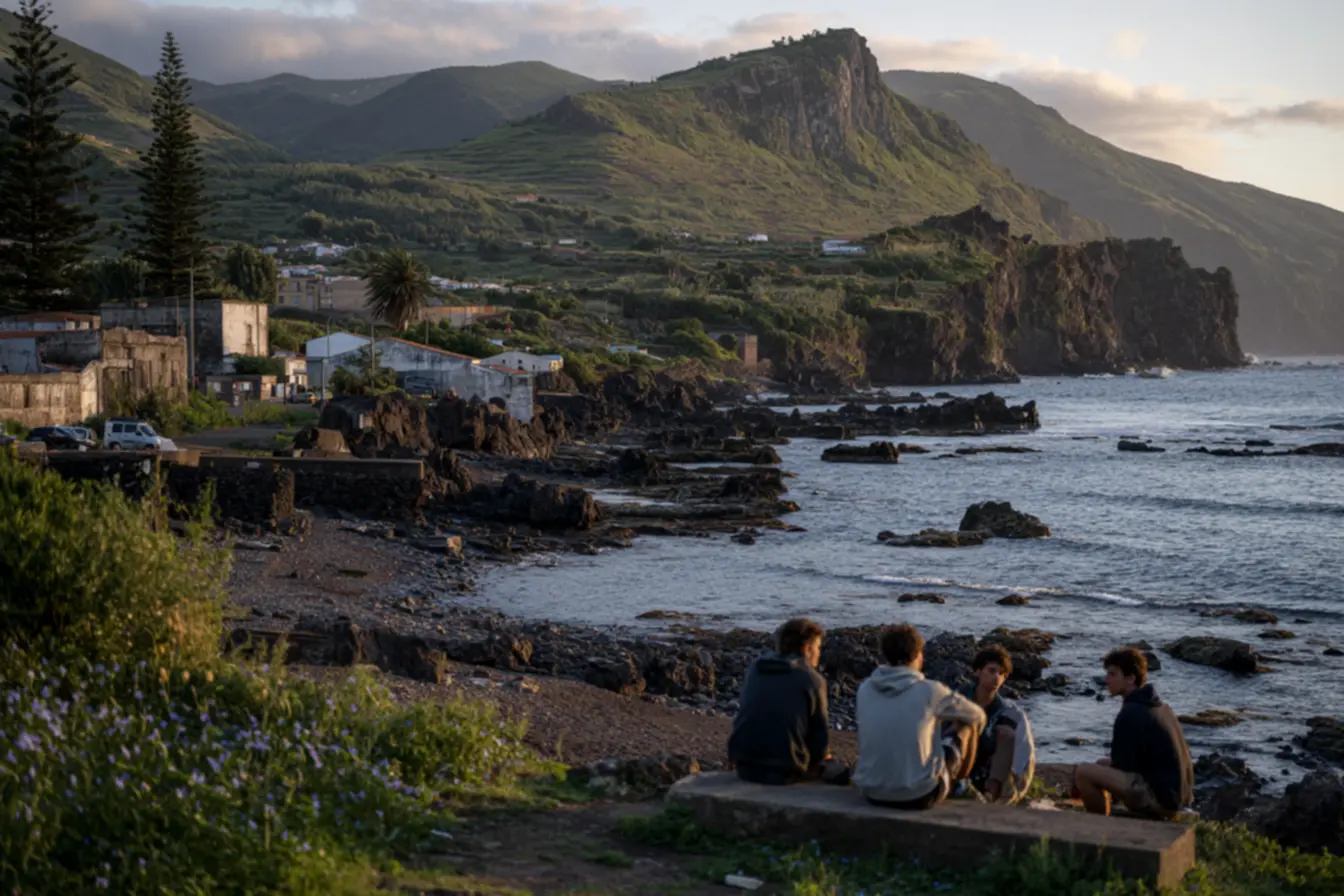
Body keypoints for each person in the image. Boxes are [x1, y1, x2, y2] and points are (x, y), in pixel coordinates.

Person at [854, 624, 986, 809]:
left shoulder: (865, 688)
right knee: (966, 723)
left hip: (871, 790)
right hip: (919, 794)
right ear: (917, 655)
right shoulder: (930, 690)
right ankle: (961, 785)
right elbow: (978, 716)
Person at [1073, 647, 1194, 819]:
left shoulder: (1132, 712)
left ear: (1130, 678)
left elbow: (1123, 766)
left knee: (1083, 772)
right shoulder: (1160, 706)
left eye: (1113, 675)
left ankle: (1098, 826)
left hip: (1161, 800)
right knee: (1100, 763)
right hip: (1176, 795)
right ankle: (1108, 812)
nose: (1106, 680)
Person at [728, 617, 849, 785]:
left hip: (744, 765)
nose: (819, 654)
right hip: (785, 770)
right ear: (807, 649)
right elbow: (819, 745)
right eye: (818, 648)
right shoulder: (811, 679)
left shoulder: (756, 668)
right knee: (839, 773)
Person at [956, 644, 1036, 803]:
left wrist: (1018, 782)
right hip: (956, 760)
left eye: (1001, 674)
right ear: (978, 671)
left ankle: (991, 795)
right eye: (991, 671)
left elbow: (1024, 749)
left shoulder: (1007, 710)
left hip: (987, 766)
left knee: (1007, 734)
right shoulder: (958, 699)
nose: (996, 678)